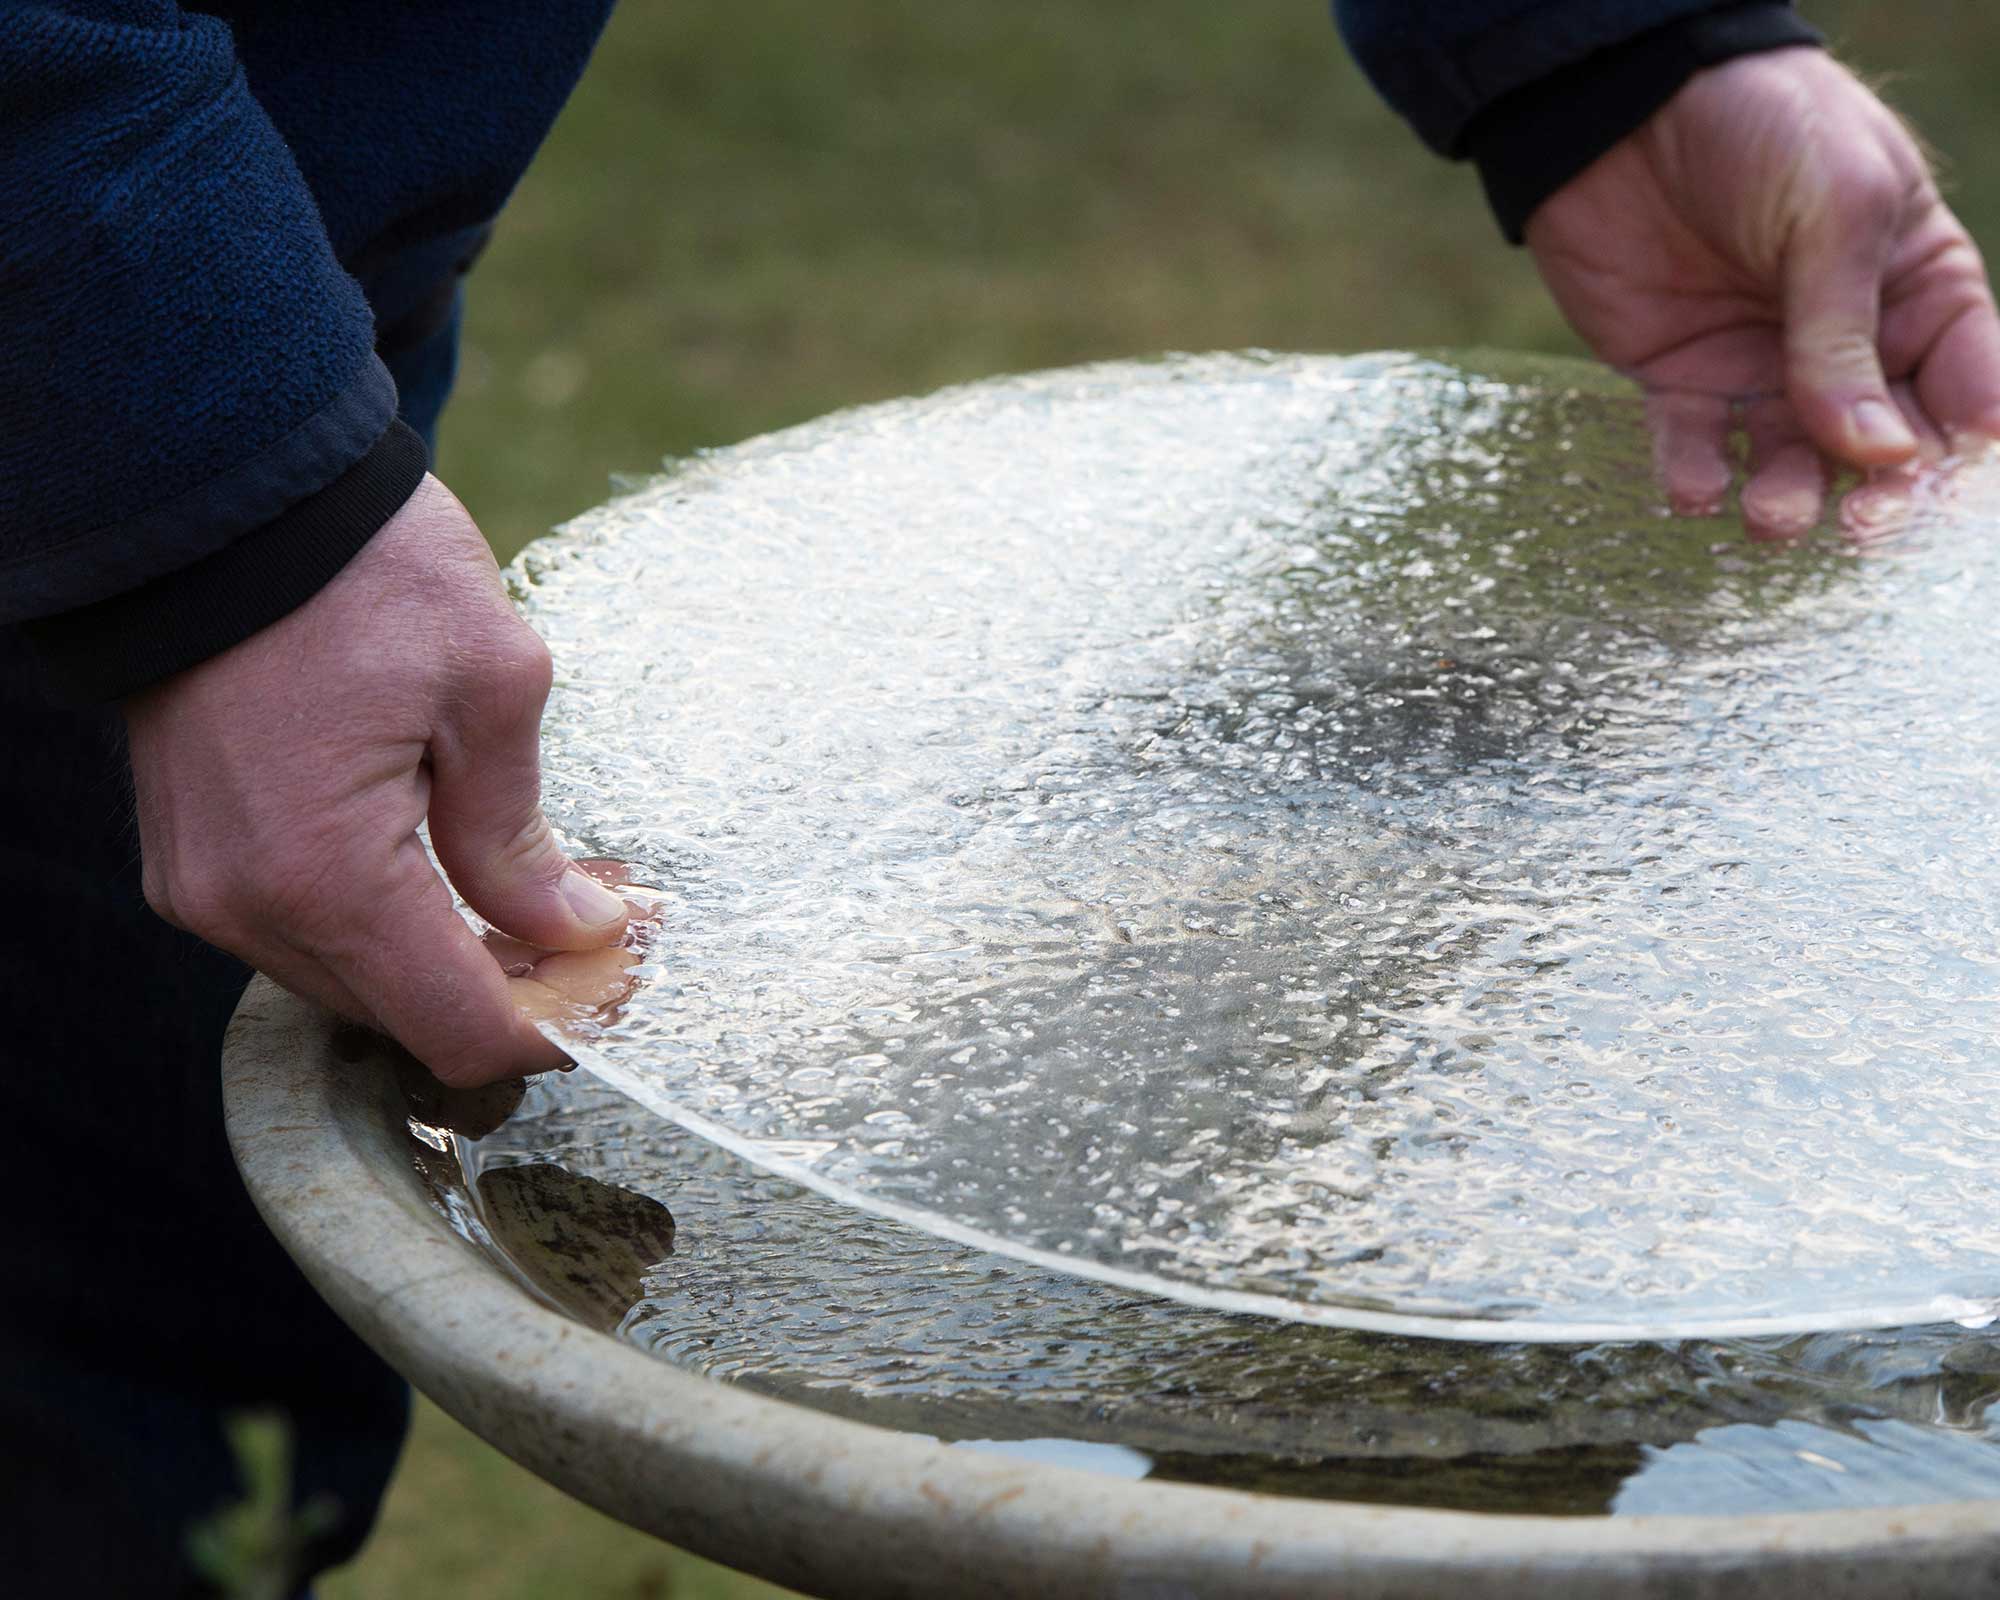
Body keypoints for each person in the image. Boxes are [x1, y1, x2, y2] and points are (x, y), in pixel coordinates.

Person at [3, 1, 1995, 1593]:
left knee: (172, 1397)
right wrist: (202, 472)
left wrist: (1614, 45)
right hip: (130, 350)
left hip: (202, 345)